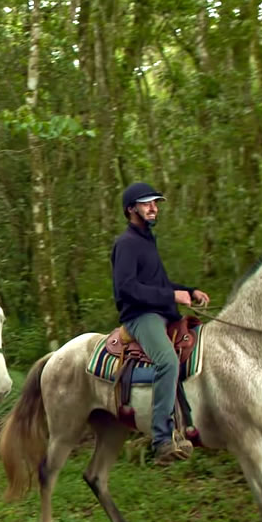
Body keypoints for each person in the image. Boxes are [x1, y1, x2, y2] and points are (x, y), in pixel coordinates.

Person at [111, 183, 210, 465]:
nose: (154, 208)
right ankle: (162, 439)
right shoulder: (126, 244)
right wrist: (171, 295)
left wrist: (188, 291)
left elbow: (159, 284)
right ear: (131, 209)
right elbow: (126, 288)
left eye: (155, 203)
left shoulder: (147, 240)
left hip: (164, 313)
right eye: (146, 203)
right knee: (167, 360)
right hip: (141, 316)